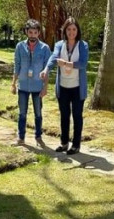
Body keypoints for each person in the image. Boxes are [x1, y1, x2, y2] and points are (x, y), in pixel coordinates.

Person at [40, 17, 89, 155]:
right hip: (63, 87)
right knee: (64, 116)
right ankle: (64, 143)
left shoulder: (83, 45)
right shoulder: (59, 44)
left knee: (77, 116)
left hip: (77, 88)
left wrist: (67, 64)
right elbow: (53, 58)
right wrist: (46, 70)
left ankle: (76, 145)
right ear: (65, 30)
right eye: (69, 29)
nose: (71, 32)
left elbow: (83, 64)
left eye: (74, 29)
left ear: (77, 30)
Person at [12, 19, 50, 147]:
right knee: (22, 113)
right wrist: (13, 83)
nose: (32, 35)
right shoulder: (19, 46)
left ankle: (38, 137)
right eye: (30, 32)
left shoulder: (45, 48)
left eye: (35, 32)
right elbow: (16, 66)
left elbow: (47, 69)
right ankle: (21, 137)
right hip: (23, 85)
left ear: (39, 33)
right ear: (26, 32)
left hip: (37, 87)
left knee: (38, 113)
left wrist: (45, 87)